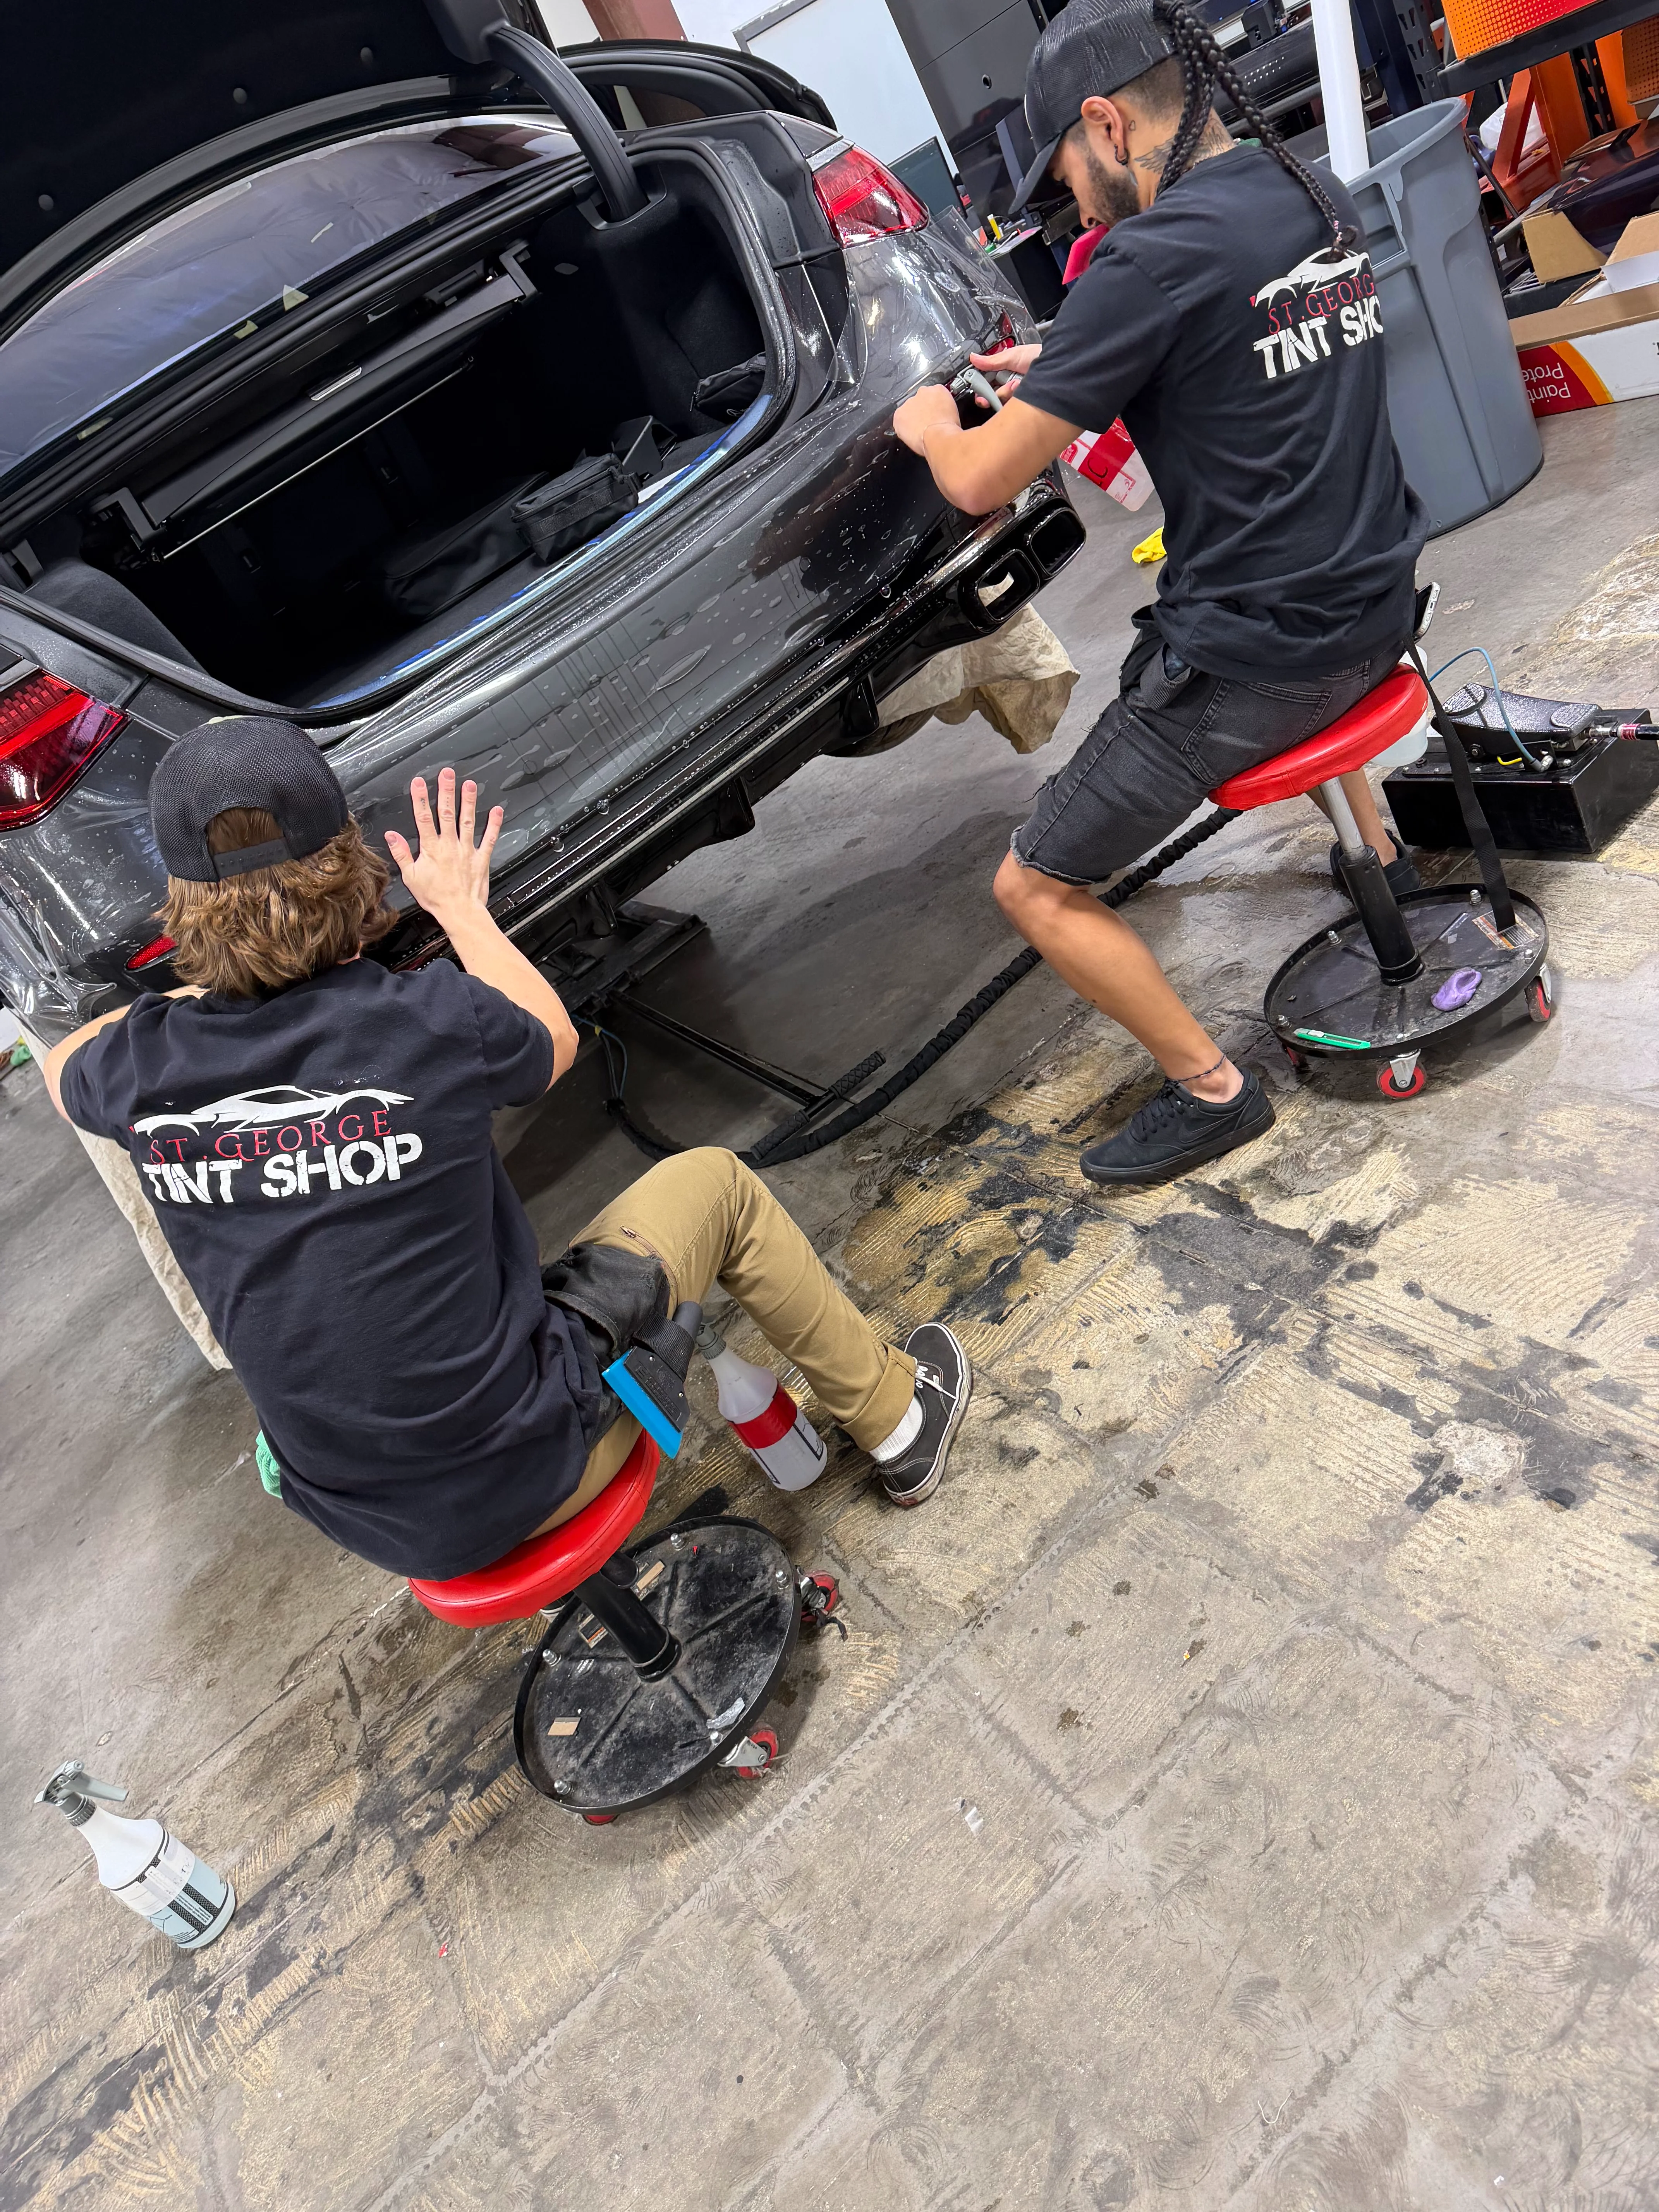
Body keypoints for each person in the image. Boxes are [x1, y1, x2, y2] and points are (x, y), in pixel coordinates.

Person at [41, 720, 970, 1580]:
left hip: (367, 1519)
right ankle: (900, 1421)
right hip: (530, 1474)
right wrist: (462, 909)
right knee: (717, 1184)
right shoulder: (425, 1023)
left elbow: (63, 1065)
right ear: (353, 865)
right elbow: (553, 1040)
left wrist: (211, 980)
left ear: (180, 913)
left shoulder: (135, 1066)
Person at [894, 0, 1429, 1188]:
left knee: (1032, 886)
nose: (1074, 208)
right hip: (1384, 602)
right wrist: (1084, 354)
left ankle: (1212, 1093)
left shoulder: (1143, 259)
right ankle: (1379, 862)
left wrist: (931, 425)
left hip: (1258, 668)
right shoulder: (1307, 190)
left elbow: (980, 480)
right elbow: (1227, 350)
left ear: (1105, 124)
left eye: (1070, 176)